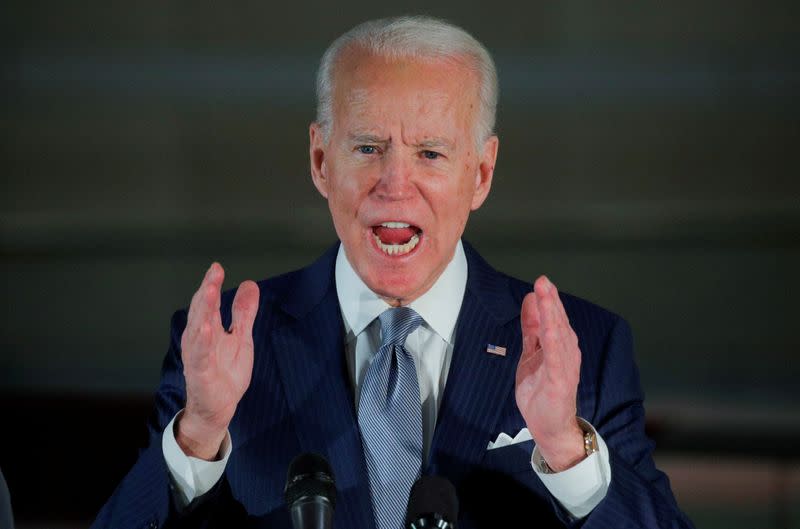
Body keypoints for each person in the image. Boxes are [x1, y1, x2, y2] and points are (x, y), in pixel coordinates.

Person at [92, 16, 694, 529]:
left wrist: (565, 449)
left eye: (430, 153)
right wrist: (197, 433)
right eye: (367, 148)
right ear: (320, 161)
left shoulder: (586, 346)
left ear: (481, 174)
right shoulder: (221, 347)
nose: (395, 185)